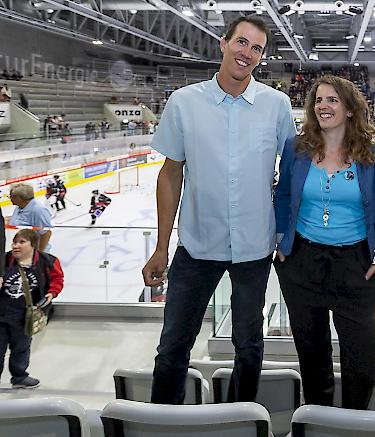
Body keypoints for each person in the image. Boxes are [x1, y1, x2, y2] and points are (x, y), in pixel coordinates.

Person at [141, 16, 296, 405]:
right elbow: (170, 174)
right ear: (223, 43)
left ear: (261, 57)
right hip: (196, 246)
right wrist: (161, 246)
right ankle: (164, 421)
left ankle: (239, 417)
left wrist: (286, 233)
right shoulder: (184, 102)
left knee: (249, 345)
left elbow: (293, 173)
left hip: (254, 248)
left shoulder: (276, 106)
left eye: (257, 48)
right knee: (173, 345)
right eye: (241, 43)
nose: (247, 53)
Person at [274, 76, 375, 409]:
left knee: (360, 363)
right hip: (302, 261)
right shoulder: (297, 149)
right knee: (313, 357)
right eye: (318, 101)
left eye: (332, 100)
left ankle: (352, 423)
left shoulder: (372, 154)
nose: (323, 106)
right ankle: (318, 421)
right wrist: (282, 240)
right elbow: (282, 194)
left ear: (351, 109)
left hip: (355, 265)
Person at [0, 229, 64, 389]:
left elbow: (58, 278)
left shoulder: (47, 261)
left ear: (33, 245)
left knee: (21, 348)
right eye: (14, 242)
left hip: (25, 317)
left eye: (22, 242)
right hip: (2, 315)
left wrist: (52, 292)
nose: (16, 246)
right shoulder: (4, 260)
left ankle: (19, 377)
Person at [8, 184, 53, 253]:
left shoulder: (38, 210)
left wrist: (38, 253)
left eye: (12, 196)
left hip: (33, 252)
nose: (10, 199)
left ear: (21, 198)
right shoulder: (20, 206)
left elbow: (46, 233)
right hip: (22, 250)